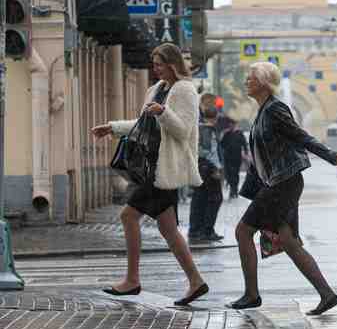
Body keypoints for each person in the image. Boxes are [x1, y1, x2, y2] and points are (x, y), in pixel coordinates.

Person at [91, 43, 209, 306]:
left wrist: (163, 112)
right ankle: (196, 281)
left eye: (159, 64)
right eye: (154, 64)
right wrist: (112, 128)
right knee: (168, 230)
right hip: (150, 167)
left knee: (128, 215)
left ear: (172, 64)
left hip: (165, 170)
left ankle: (132, 280)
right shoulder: (155, 90)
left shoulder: (186, 90)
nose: (155, 69)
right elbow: (142, 125)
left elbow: (184, 130)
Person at [226, 61, 337, 315]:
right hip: (280, 182)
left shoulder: (275, 108)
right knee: (289, 242)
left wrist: (331, 156)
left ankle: (251, 294)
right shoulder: (263, 110)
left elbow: (300, 136)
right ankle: (327, 295)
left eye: (251, 78)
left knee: (243, 231)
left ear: (264, 83)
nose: (247, 81)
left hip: (284, 182)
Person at [188, 100, 225, 242]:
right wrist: (217, 168)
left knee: (199, 199)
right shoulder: (208, 130)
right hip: (209, 169)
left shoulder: (198, 128)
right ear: (216, 117)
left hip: (199, 167)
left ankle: (196, 230)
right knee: (214, 199)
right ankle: (207, 230)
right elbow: (211, 151)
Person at [221, 117, 249, 199]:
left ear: (235, 125)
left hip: (236, 158)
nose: (231, 126)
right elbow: (222, 144)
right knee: (229, 175)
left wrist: (246, 152)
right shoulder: (227, 134)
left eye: (233, 124)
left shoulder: (240, 134)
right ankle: (233, 189)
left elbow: (244, 144)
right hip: (227, 157)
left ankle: (234, 191)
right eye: (230, 124)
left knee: (235, 174)